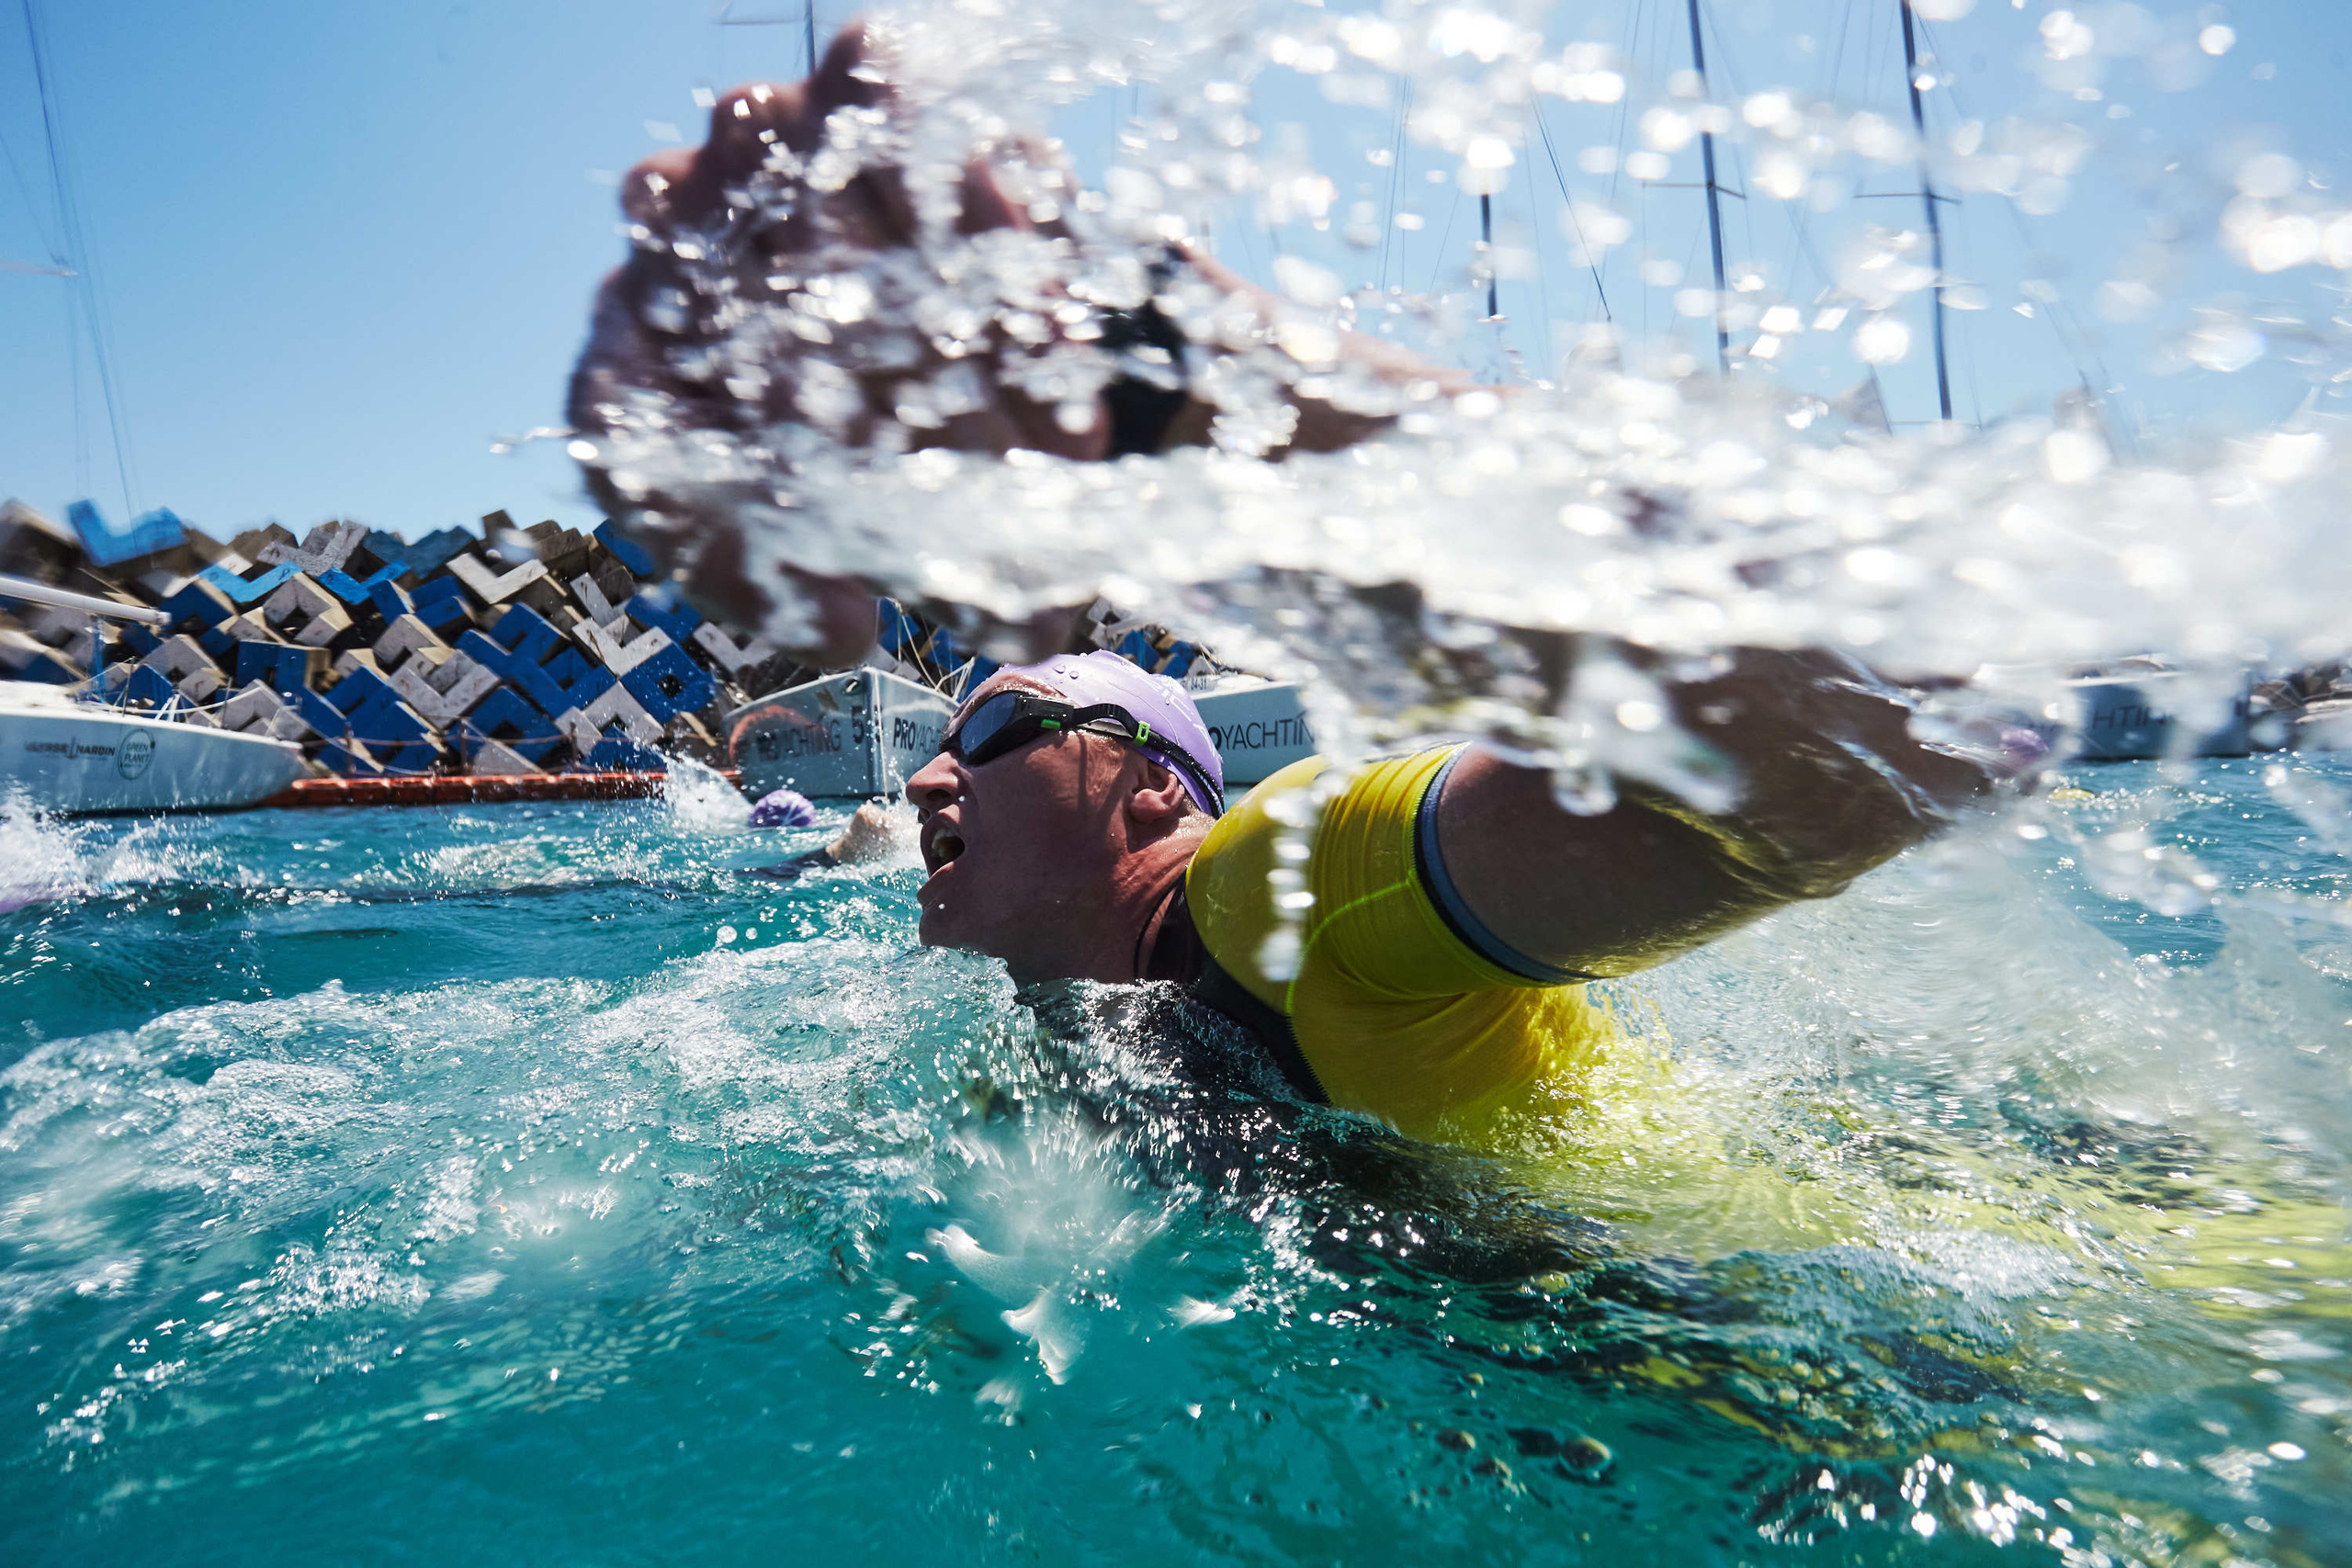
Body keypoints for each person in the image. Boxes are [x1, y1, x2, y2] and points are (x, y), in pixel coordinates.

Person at [571, 28, 2035, 1147]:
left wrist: (1162, 374)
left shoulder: (1287, 885)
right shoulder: (1084, 1016)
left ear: (1156, 794)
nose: (938, 782)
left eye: (1000, 736)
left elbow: (1885, 753)